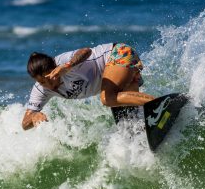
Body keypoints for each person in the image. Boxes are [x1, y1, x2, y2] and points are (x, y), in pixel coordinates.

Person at [21, 43, 155, 130]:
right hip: (117, 79)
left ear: (55, 68)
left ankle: (159, 103)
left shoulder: (62, 62)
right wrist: (33, 117)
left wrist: (68, 66)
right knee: (131, 127)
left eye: (50, 78)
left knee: (107, 98)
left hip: (120, 54)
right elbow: (24, 123)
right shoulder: (41, 90)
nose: (49, 85)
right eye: (42, 82)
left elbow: (85, 51)